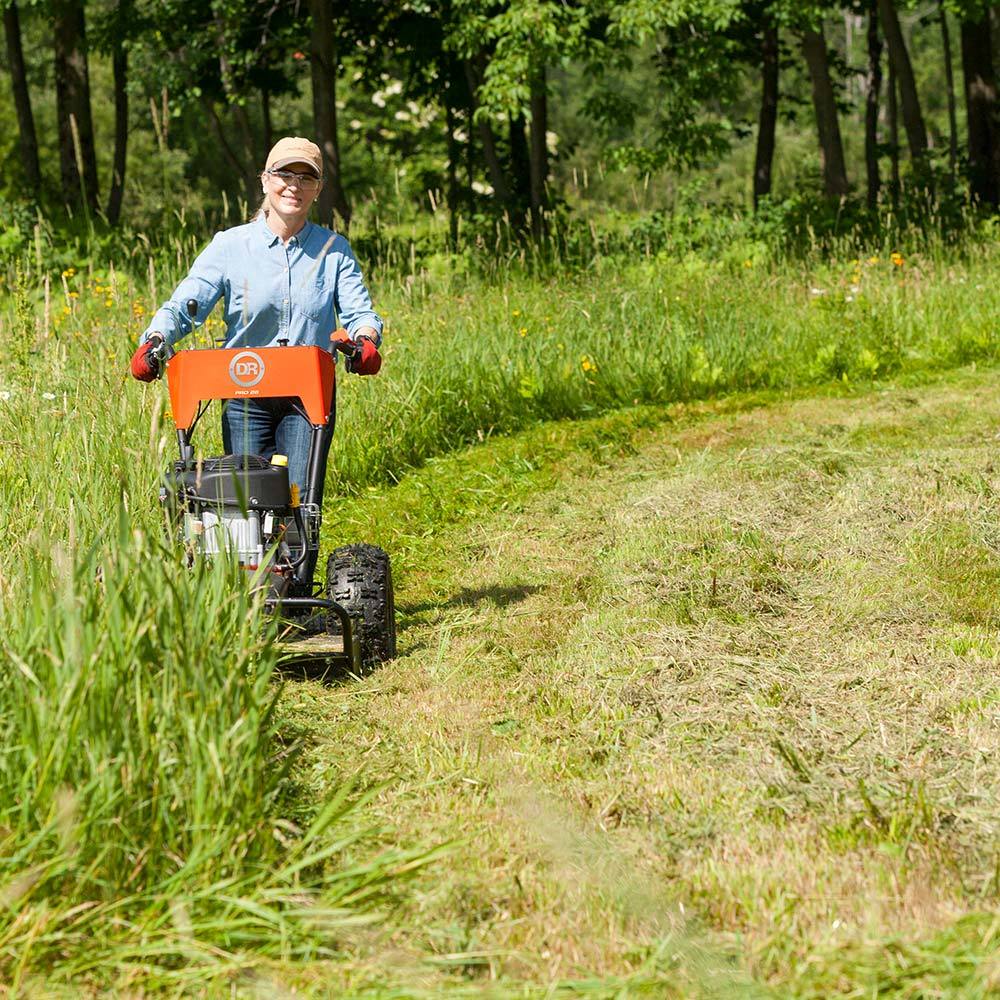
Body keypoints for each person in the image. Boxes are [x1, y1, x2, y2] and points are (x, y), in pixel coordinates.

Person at [130, 136, 382, 494]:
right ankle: (249, 553)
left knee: (297, 499)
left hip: (306, 393)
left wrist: (365, 341)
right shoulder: (230, 246)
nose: (294, 186)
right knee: (247, 499)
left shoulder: (334, 250)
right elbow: (187, 304)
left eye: (306, 178)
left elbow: (360, 312)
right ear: (265, 180)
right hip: (244, 387)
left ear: (318, 189)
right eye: (284, 175)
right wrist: (155, 341)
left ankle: (298, 552)